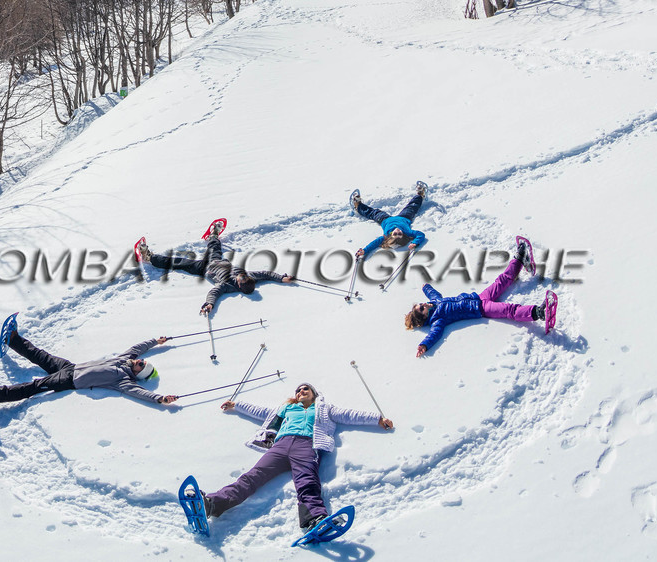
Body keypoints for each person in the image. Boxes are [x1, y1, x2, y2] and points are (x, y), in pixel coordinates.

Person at [191, 382, 391, 530]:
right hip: (281, 445)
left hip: (307, 445)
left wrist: (377, 419)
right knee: (252, 476)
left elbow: (349, 414)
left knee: (307, 482)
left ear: (314, 394)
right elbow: (260, 411)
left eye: (306, 389)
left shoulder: (324, 408)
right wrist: (237, 405)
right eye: (298, 390)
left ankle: (315, 519)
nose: (301, 392)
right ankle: (212, 504)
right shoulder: (286, 408)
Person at [408, 236, 554, 356]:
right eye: (421, 308)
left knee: (502, 280)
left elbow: (434, 294)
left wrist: (426, 287)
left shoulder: (435, 301)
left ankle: (519, 259)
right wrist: (424, 345)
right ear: (424, 317)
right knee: (509, 310)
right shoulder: (437, 319)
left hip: (479, 297)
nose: (423, 305)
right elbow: (435, 334)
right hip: (482, 309)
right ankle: (539, 312)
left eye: (420, 304)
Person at [0, 321, 179, 407]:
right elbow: (137, 348)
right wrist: (156, 342)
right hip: (71, 367)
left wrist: (160, 399)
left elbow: (139, 393)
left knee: (33, 387)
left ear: (138, 374)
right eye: (143, 361)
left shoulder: (123, 381)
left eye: (142, 365)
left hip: (69, 380)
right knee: (42, 356)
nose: (140, 361)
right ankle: (13, 339)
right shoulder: (124, 361)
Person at [136, 224, 294, 316]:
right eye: (244, 276)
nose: (242, 275)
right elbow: (266, 274)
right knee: (215, 248)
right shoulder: (250, 277)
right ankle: (213, 234)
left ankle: (149, 257)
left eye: (241, 278)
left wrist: (209, 304)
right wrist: (281, 278)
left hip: (204, 268)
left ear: (239, 285)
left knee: (178, 262)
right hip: (218, 261)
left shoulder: (226, 285)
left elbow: (214, 293)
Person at [352, 181, 429, 259]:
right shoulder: (408, 233)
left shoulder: (386, 236)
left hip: (385, 219)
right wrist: (415, 243)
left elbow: (374, 244)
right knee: (412, 207)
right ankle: (420, 194)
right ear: (403, 235)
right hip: (404, 217)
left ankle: (358, 205)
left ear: (391, 235)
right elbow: (420, 234)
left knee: (372, 213)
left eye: (395, 234)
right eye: (400, 234)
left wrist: (364, 250)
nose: (398, 232)